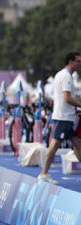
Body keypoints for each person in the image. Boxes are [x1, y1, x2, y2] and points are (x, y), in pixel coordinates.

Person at [39, 52, 81, 182]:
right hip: (64, 117)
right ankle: (44, 174)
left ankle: (44, 174)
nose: (80, 64)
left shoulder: (61, 74)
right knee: (55, 144)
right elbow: (67, 98)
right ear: (70, 62)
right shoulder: (67, 77)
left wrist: (76, 108)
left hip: (66, 116)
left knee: (78, 144)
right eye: (78, 61)